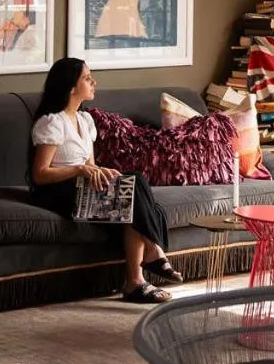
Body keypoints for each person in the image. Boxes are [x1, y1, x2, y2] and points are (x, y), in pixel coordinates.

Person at [28, 57, 182, 303]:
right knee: (135, 195)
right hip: (59, 192)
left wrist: (102, 171)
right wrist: (80, 170)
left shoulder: (84, 120)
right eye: (87, 78)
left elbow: (90, 165)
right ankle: (145, 265)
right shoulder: (52, 122)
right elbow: (40, 174)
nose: (94, 82)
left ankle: (139, 277)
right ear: (71, 87)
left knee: (135, 185)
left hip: (84, 186)